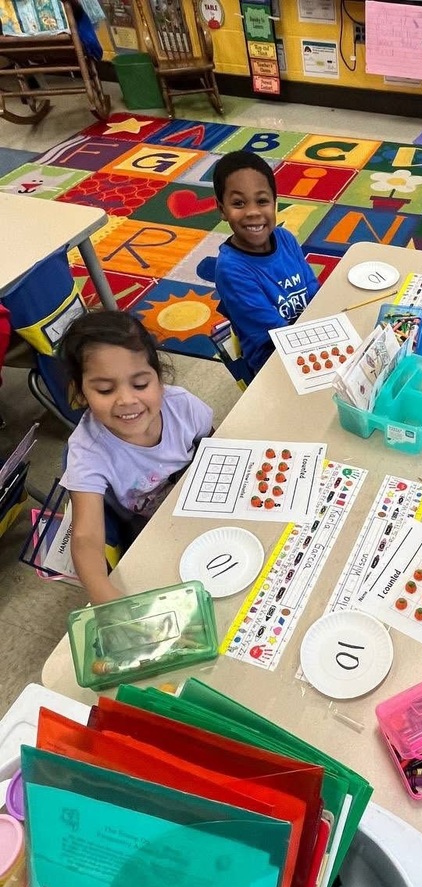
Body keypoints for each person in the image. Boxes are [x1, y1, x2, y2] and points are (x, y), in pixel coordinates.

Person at [59, 312, 213, 606]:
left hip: (205, 504)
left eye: (140, 384)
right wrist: (108, 599)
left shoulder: (181, 405)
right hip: (152, 533)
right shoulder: (87, 452)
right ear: (82, 393)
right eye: (105, 389)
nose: (126, 400)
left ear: (159, 381)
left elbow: (217, 444)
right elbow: (86, 538)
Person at [212, 150, 320, 380]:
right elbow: (277, 336)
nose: (252, 212)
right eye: (239, 203)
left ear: (274, 203)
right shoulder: (231, 269)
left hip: (307, 338)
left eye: (262, 201)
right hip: (272, 360)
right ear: (222, 209)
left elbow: (315, 294)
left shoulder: (286, 238)